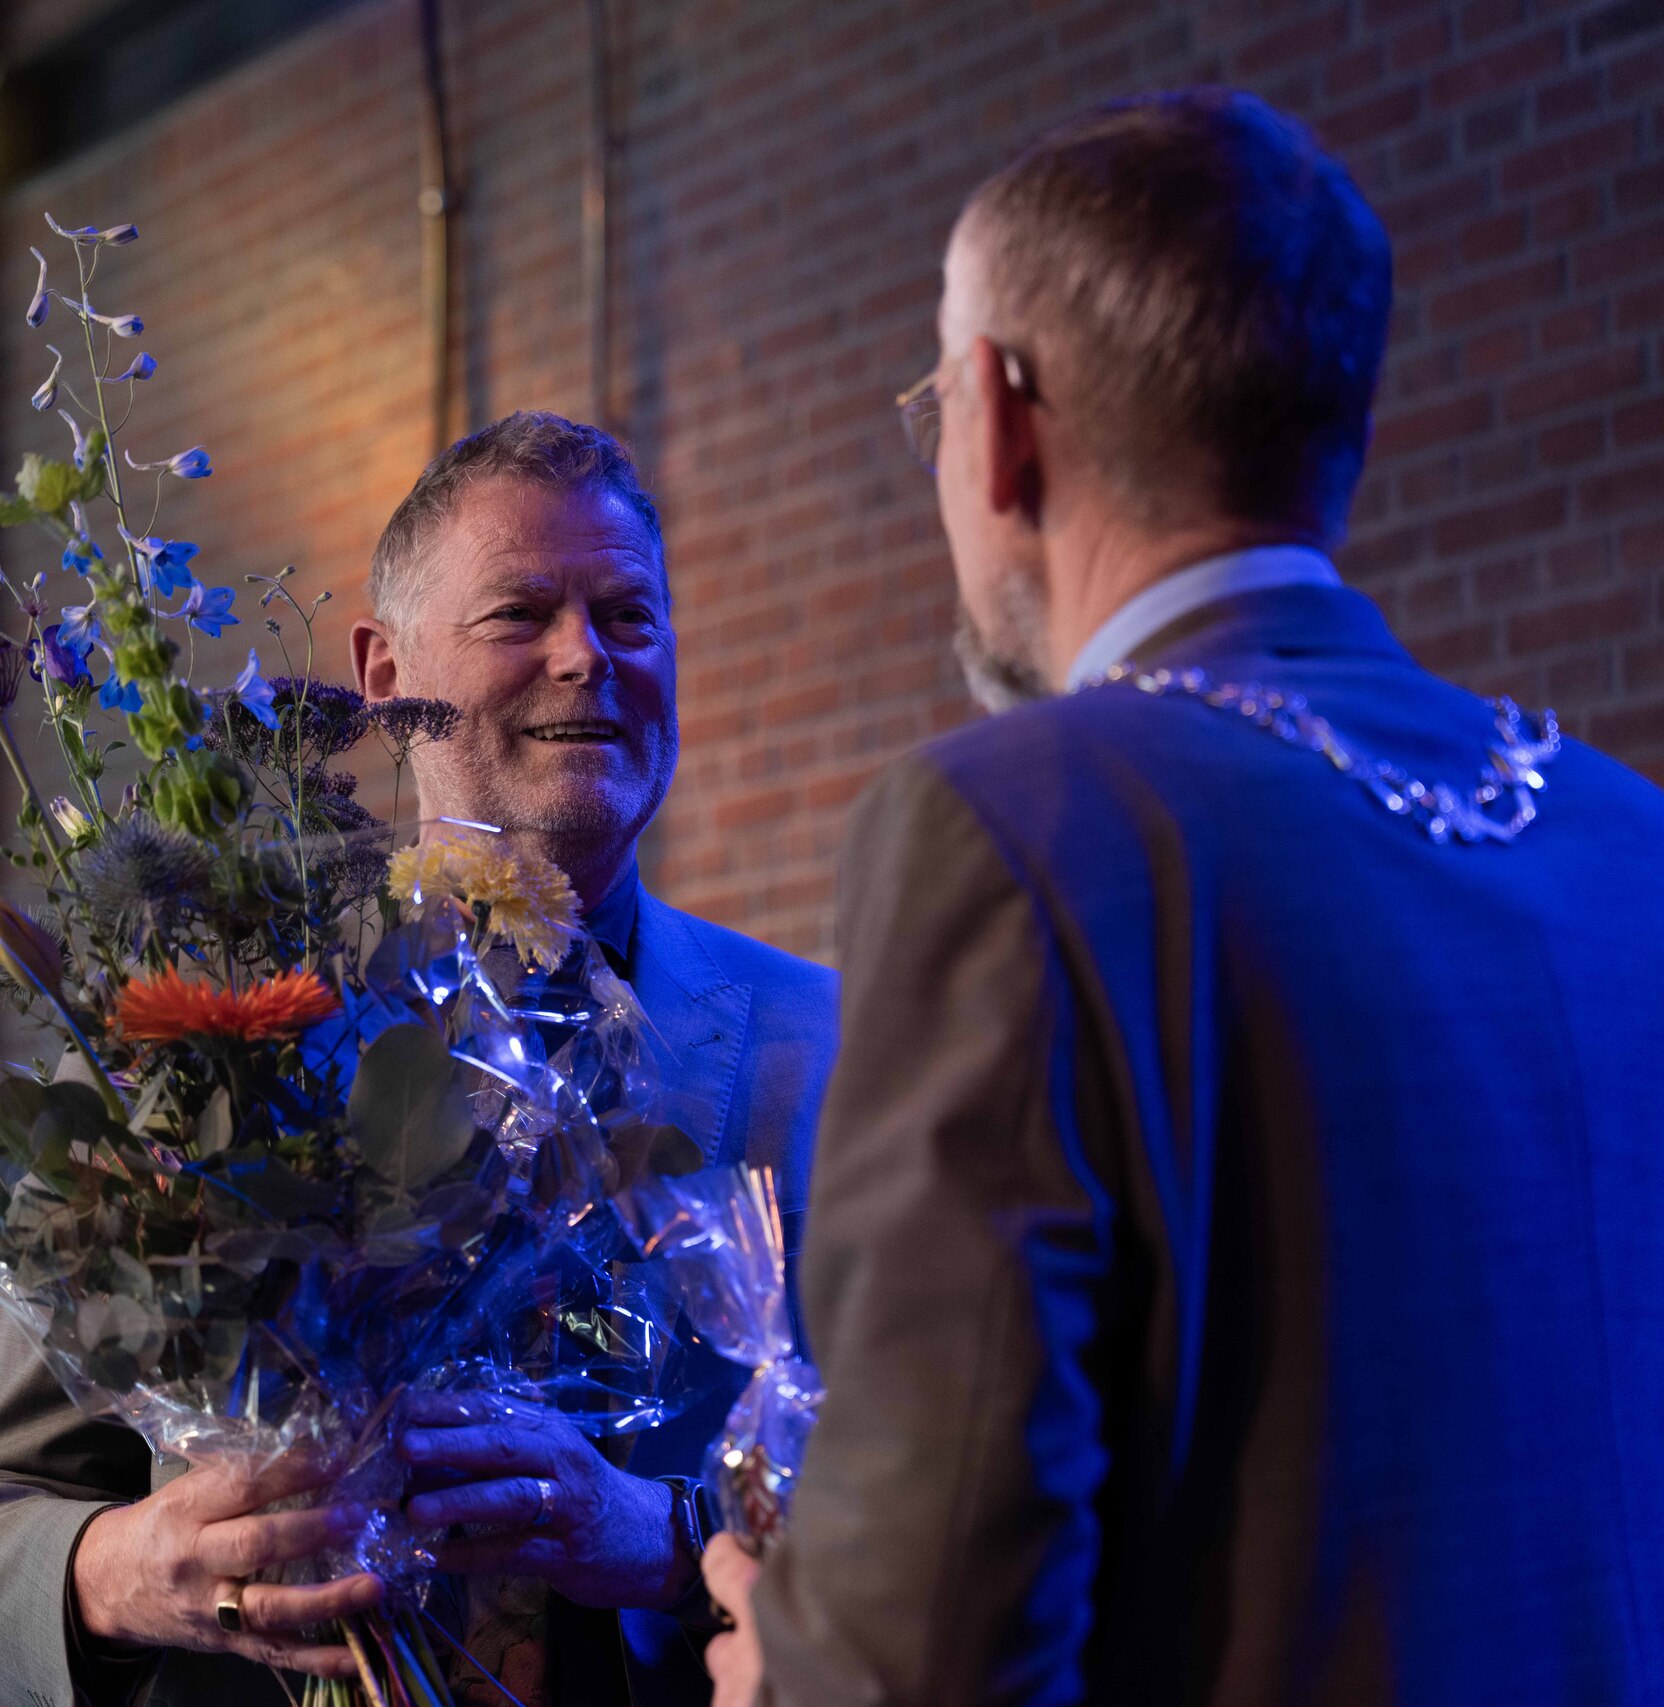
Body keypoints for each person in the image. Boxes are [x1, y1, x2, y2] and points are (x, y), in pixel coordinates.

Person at [701, 87, 1664, 1705]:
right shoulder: (1629, 836)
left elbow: (918, 1660)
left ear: (1000, 418)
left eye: (935, 400)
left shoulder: (1015, 828)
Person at [0, 412, 841, 1707]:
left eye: (631, 616)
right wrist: (126, 1572)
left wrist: (666, 1542)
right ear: (383, 672)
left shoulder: (826, 1044)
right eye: (522, 614)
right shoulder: (194, 1026)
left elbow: (946, 1496)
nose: (587, 655)